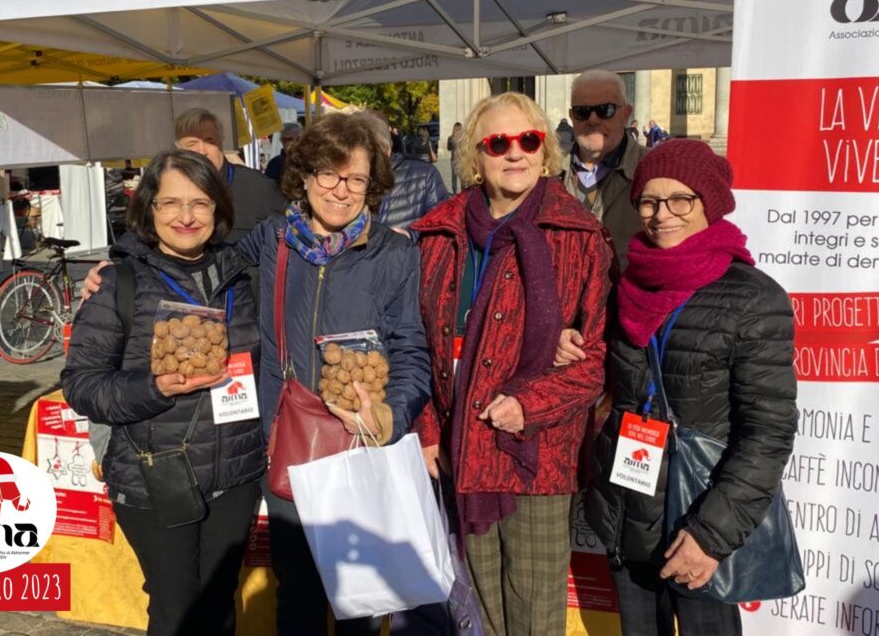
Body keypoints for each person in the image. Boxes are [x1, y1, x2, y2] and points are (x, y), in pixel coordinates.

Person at [412, 92, 613, 636]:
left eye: (528, 140)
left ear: (545, 149)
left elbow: (594, 362)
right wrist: (428, 428)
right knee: (478, 613)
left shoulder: (578, 236)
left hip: (536, 458)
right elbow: (419, 342)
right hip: (462, 448)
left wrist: (528, 404)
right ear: (477, 155)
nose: (515, 153)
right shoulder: (439, 234)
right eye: (499, 142)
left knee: (533, 616)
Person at [585, 139, 798, 636]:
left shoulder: (753, 298)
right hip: (630, 509)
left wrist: (710, 537)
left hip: (698, 518)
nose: (663, 215)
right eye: (649, 201)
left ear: (710, 203)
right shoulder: (627, 288)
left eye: (681, 199)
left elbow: (767, 435)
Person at [238, 112, 432, 636]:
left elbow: (412, 350)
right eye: (328, 173)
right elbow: (196, 263)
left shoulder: (394, 254)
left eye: (356, 179)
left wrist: (391, 415)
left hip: (359, 451)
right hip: (290, 448)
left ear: (373, 187)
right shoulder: (271, 240)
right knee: (296, 598)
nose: (341, 191)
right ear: (303, 174)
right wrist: (117, 268)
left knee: (363, 607)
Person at [63, 150, 263, 636]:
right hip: (156, 474)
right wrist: (153, 388)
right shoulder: (118, 283)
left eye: (200, 202)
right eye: (171, 203)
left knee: (219, 605)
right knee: (176, 609)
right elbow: (81, 384)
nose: (187, 216)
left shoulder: (242, 273)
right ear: (148, 208)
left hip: (235, 472)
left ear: (218, 209)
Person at [564, 69, 647, 271]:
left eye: (605, 110)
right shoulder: (546, 171)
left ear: (626, 114)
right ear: (571, 117)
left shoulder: (654, 167)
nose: (592, 120)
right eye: (582, 112)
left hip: (625, 297)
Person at [174, 107, 285, 244]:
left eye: (210, 141)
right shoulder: (167, 191)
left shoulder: (259, 187)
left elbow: (286, 244)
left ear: (221, 143)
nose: (202, 151)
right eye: (192, 143)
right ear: (179, 150)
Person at [364, 112, 449, 235]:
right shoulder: (345, 181)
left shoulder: (426, 176)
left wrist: (410, 237)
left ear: (388, 149)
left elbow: (443, 228)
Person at [446, 122, 463, 192]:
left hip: (453, 159)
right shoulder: (463, 137)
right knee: (462, 176)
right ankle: (463, 191)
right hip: (462, 159)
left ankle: (454, 191)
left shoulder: (450, 138)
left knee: (454, 176)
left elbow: (448, 148)